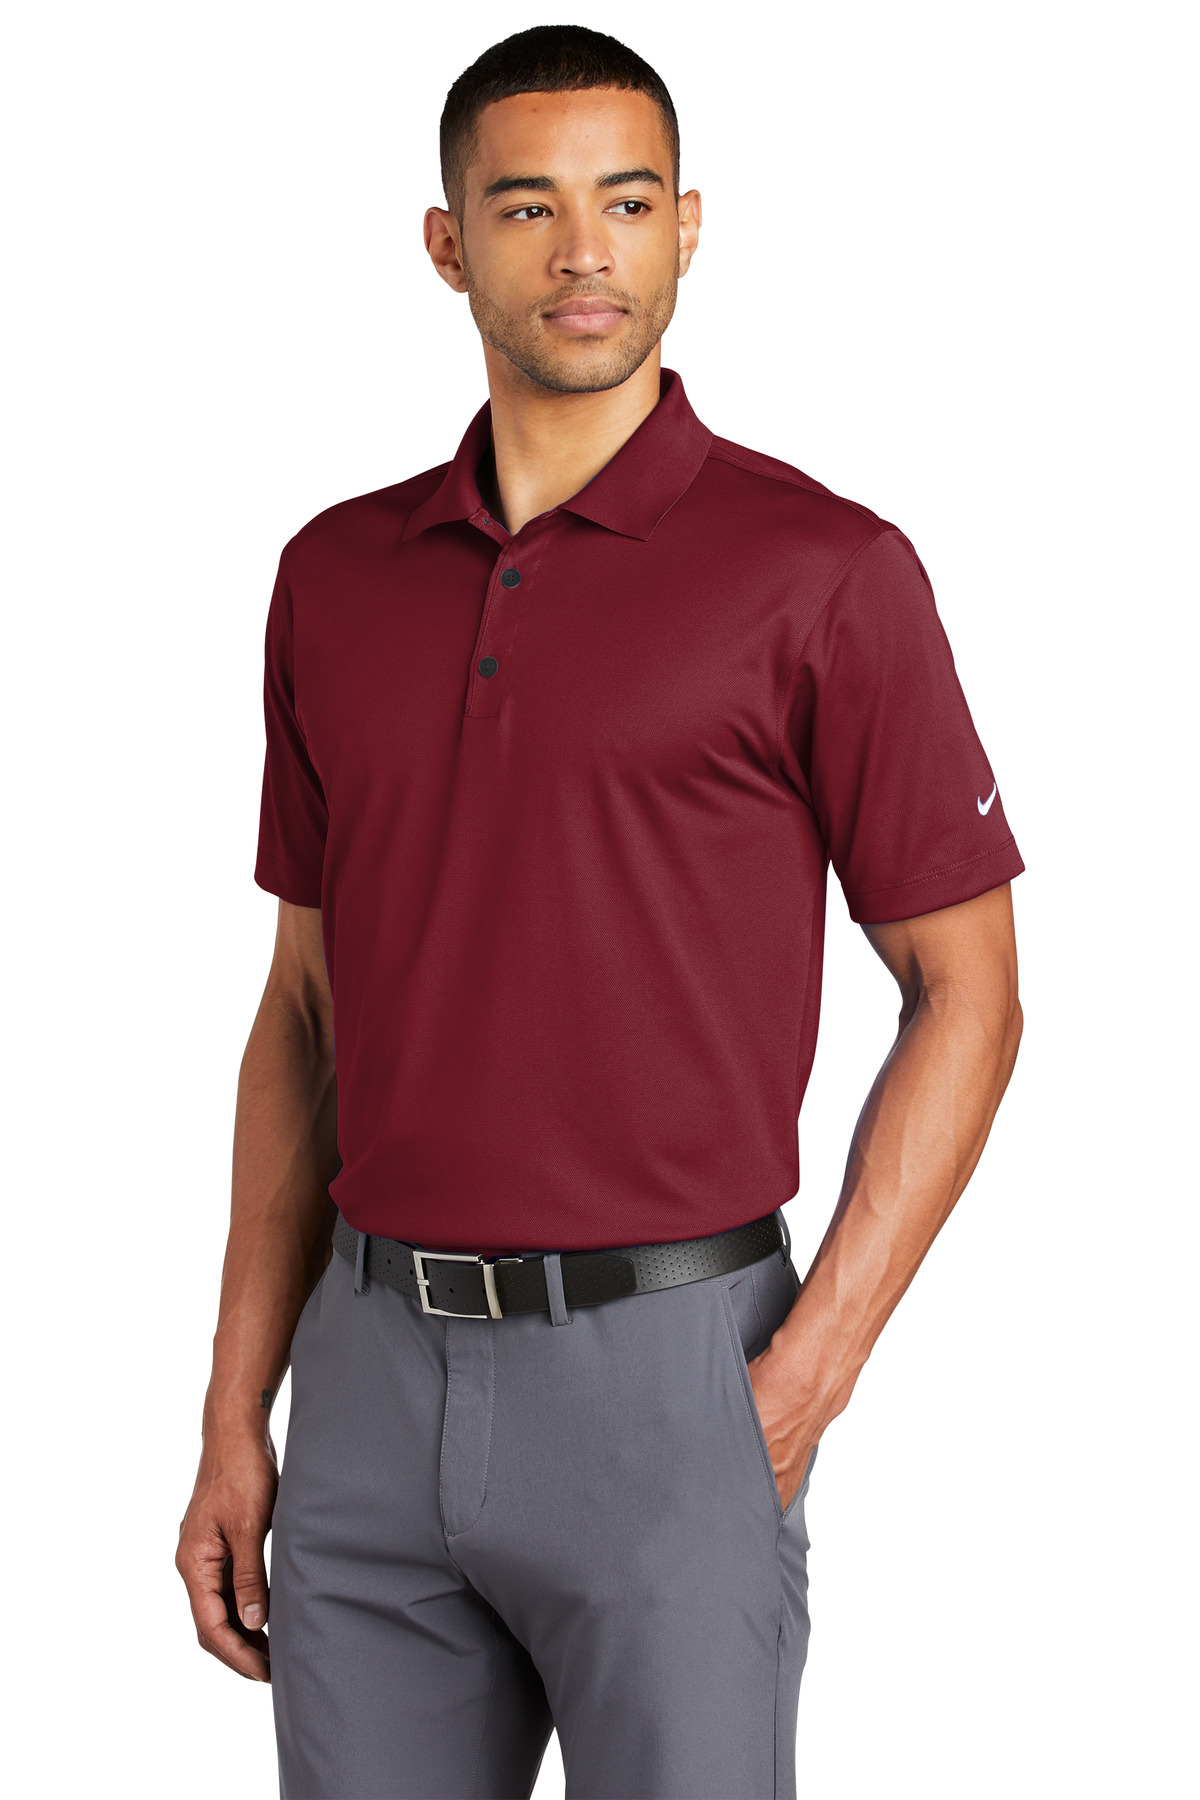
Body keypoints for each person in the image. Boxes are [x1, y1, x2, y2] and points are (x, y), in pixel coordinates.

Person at [176, 24, 1024, 1800]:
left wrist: (807, 1375)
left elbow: (971, 993)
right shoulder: (333, 576)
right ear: (447, 243)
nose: (584, 251)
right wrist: (234, 1414)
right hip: (367, 1376)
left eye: (628, 203)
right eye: (528, 206)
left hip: (673, 1373)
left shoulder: (826, 574)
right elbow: (306, 1015)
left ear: (688, 226)